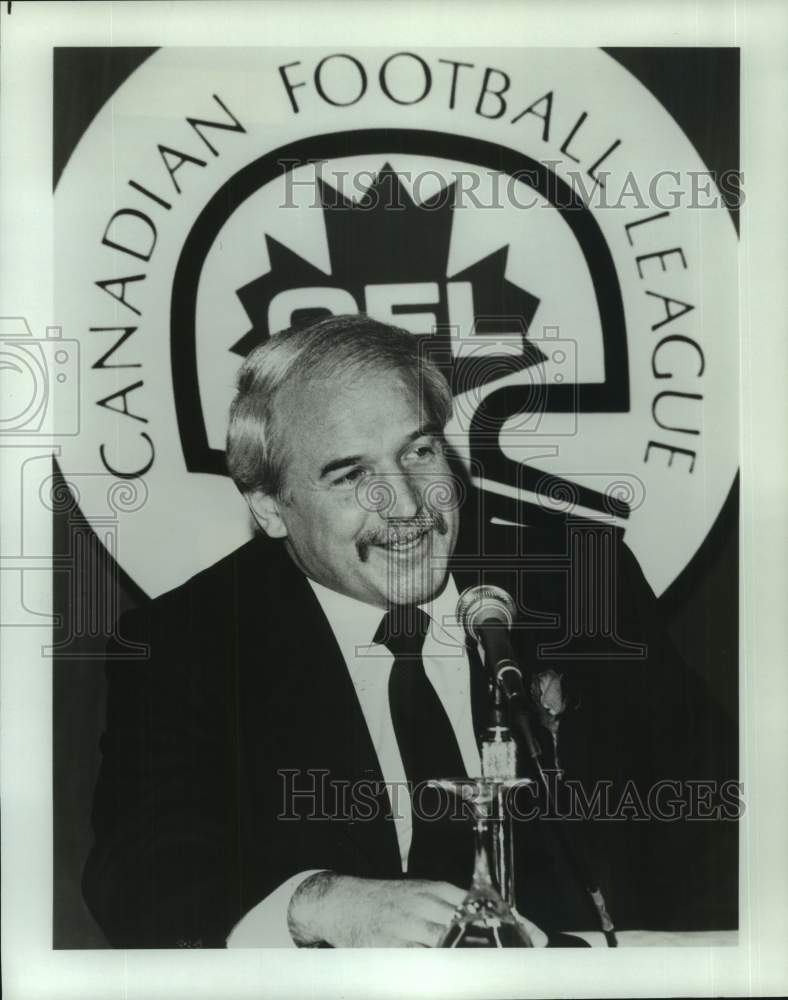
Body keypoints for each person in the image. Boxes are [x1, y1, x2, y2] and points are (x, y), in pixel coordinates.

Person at [83, 314, 737, 948]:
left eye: (419, 450)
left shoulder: (581, 582)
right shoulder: (187, 643)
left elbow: (725, 817)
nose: (406, 504)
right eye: (352, 474)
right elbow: (140, 878)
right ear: (270, 508)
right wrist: (314, 903)